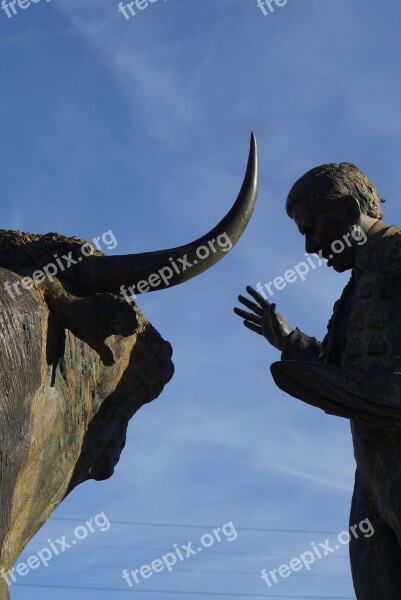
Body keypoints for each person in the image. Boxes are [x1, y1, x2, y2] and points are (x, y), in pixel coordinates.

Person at [234, 162, 401, 599]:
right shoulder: (355, 287)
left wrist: (328, 388)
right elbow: (336, 365)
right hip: (372, 485)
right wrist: (290, 342)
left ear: (347, 209)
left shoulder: (398, 258)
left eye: (312, 230)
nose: (310, 248)